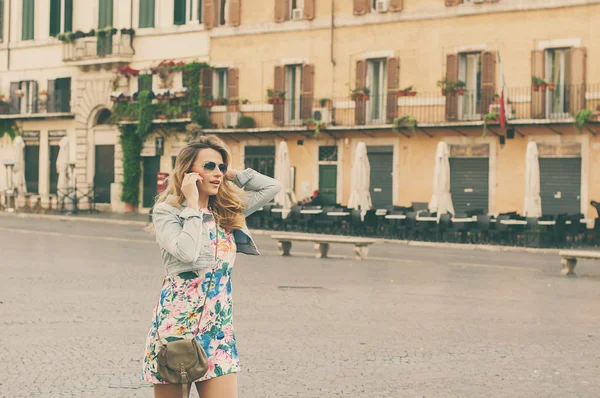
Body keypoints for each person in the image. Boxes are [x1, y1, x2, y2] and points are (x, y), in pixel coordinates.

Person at [141, 135, 281, 398]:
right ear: (187, 174)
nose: (217, 173)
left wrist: (230, 174)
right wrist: (193, 205)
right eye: (209, 167)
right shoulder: (167, 213)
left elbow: (271, 187)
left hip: (218, 332)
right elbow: (188, 252)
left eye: (221, 167)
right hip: (176, 331)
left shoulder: (226, 213)